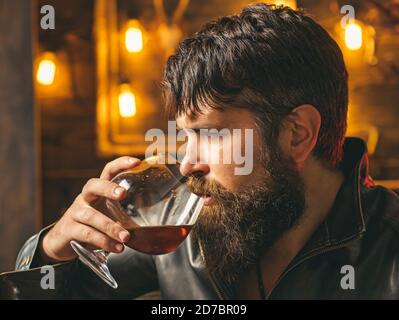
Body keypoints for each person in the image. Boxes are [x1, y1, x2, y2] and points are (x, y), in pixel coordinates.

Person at [10, 3, 399, 299]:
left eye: (211, 134)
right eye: (186, 136)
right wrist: (49, 252)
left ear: (296, 134)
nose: (188, 163)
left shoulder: (388, 248)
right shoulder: (181, 227)